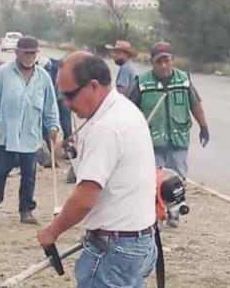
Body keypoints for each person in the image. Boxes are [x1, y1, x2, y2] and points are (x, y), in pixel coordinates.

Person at [36, 52, 157, 287]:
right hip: (139, 242)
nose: (67, 104)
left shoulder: (106, 128)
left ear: (93, 86)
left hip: (115, 250)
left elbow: (84, 200)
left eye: (70, 95)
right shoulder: (125, 110)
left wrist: (52, 231)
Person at [0, 36, 60, 225]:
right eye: (27, 53)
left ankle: (26, 211)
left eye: (33, 53)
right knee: (1, 171)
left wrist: (53, 125)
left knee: (29, 174)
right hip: (7, 134)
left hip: (30, 134)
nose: (30, 57)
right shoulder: (1, 74)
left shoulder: (43, 77)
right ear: (17, 53)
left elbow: (50, 105)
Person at [128, 42, 210, 182]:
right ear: (151, 62)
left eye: (166, 60)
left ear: (173, 60)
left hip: (178, 141)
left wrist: (203, 127)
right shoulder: (141, 83)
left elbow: (195, 105)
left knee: (177, 183)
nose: (163, 65)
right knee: (155, 183)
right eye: (159, 62)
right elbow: (129, 112)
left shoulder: (183, 80)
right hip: (152, 144)